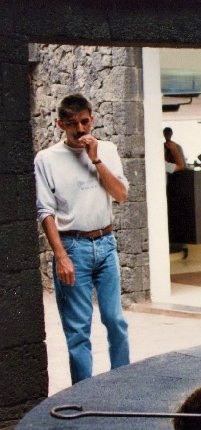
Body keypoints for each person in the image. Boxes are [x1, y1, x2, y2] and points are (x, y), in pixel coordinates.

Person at [35, 93, 130, 384]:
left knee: (116, 321)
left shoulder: (107, 150)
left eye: (85, 121)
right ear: (60, 124)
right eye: (73, 123)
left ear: (92, 119)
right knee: (78, 330)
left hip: (105, 243)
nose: (80, 129)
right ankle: (83, 395)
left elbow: (121, 195)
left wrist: (96, 159)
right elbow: (45, 211)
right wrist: (61, 255)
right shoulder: (47, 159)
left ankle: (123, 385)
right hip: (72, 247)